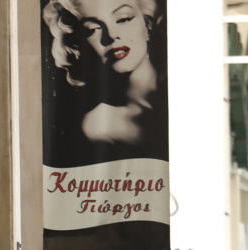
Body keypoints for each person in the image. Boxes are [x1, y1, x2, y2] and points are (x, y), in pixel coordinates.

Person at [42, 0, 167, 161]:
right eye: (93, 29)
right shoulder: (102, 124)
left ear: (147, 25)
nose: (110, 36)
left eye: (124, 19)